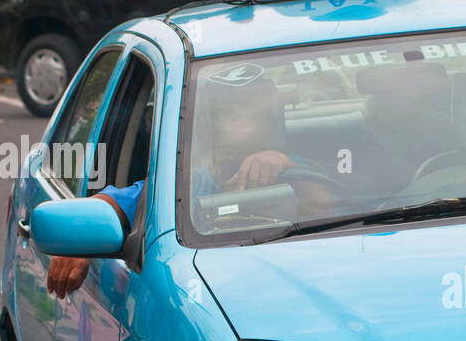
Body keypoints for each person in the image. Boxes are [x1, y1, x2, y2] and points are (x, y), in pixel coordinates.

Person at [46, 79, 337, 299]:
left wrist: (284, 167)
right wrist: (80, 237)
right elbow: (117, 203)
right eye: (215, 115)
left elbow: (332, 207)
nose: (221, 125)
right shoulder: (190, 181)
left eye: (240, 114)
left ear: (271, 124)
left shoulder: (298, 169)